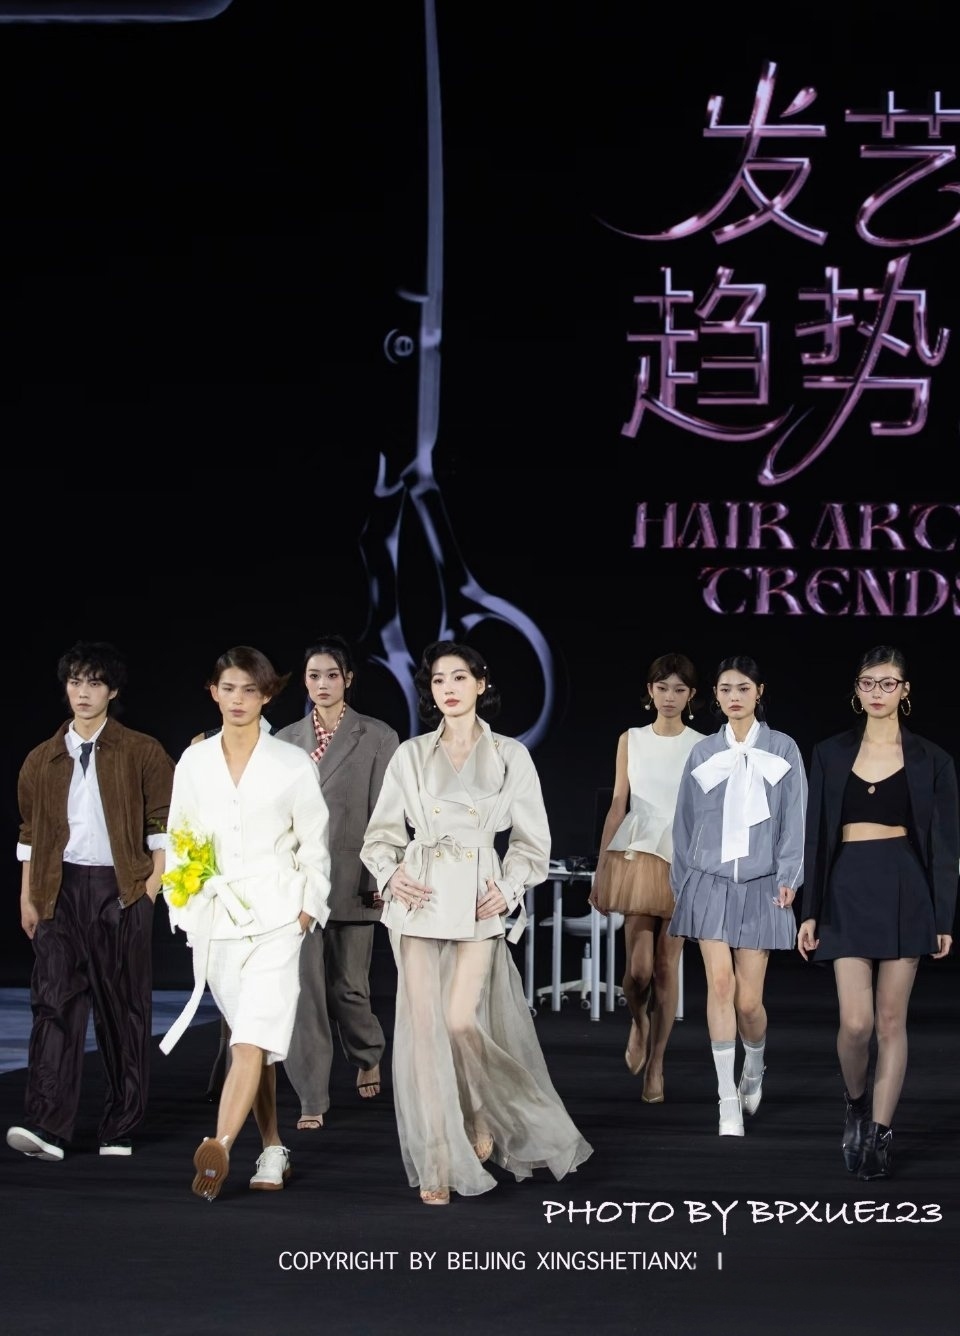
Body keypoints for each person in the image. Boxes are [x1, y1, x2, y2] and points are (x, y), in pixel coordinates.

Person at [360, 639, 592, 1206]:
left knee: (462, 1020)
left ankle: (482, 1111)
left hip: (477, 899)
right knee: (423, 1032)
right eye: (438, 680)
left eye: (459, 677)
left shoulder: (511, 755)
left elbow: (533, 842)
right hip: (420, 898)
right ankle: (438, 1160)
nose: (449, 688)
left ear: (482, 684)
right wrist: (390, 876)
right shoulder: (411, 755)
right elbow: (380, 835)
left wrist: (507, 888)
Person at [158, 646, 331, 1201]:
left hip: (278, 916)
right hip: (217, 922)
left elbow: (315, 842)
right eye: (228, 688)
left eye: (250, 690)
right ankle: (273, 1145)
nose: (238, 699)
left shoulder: (291, 763)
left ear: (267, 695)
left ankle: (221, 1144)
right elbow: (180, 839)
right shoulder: (194, 763)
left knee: (253, 1034)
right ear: (213, 692)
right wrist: (184, 909)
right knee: (250, 1041)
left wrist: (309, 906)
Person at [7, 641, 174, 1162]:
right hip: (57, 889)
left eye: (95, 683)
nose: (83, 692)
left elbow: (165, 824)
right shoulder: (42, 758)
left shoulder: (142, 751)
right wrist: (28, 896)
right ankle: (48, 1127)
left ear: (113, 691)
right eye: (76, 682)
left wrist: (149, 889)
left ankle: (120, 1125)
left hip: (119, 888)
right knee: (53, 1004)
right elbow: (30, 834)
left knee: (122, 1009)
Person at [797, 645, 958, 1180]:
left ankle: (881, 1135)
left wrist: (943, 919)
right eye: (868, 683)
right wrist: (810, 911)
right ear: (857, 689)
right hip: (846, 887)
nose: (878, 692)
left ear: (905, 691)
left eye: (889, 683)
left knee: (891, 1021)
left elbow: (944, 845)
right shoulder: (829, 753)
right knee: (855, 1022)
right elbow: (816, 838)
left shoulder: (932, 759)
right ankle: (856, 1103)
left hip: (905, 889)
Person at [668, 655, 806, 1137]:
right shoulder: (704, 752)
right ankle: (726, 1096)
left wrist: (790, 874)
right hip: (708, 882)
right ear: (716, 695)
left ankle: (754, 1065)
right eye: (725, 689)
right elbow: (684, 822)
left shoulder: (782, 748)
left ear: (759, 692)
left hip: (762, 883)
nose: (733, 697)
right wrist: (683, 884)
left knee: (749, 1002)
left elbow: (795, 817)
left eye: (743, 688)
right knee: (720, 986)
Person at [274, 633, 399, 1128]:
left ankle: (368, 1051)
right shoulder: (284, 739)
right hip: (299, 882)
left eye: (331, 675)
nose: (322, 684)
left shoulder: (377, 736)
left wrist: (380, 876)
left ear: (348, 678)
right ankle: (312, 1097)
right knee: (304, 991)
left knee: (348, 988)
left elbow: (386, 816)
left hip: (353, 876)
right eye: (313, 676)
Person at [589, 651, 701, 1103]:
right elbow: (619, 803)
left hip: (682, 858)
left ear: (691, 695)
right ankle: (639, 1021)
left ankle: (656, 1064)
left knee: (666, 967)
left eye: (678, 689)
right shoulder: (631, 739)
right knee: (637, 972)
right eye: (662, 687)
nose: (669, 696)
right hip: (637, 855)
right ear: (650, 691)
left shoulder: (703, 744)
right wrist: (601, 867)